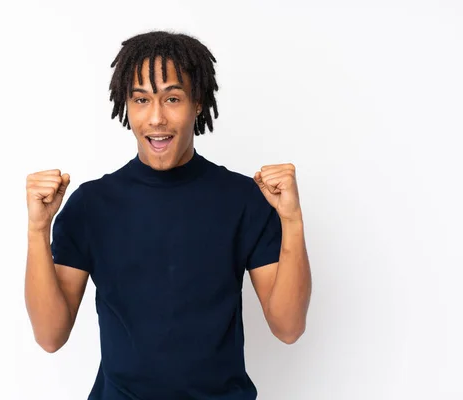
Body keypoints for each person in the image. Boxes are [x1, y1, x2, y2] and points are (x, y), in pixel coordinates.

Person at [25, 30, 312, 400]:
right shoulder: (90, 205)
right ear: (127, 106)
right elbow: (50, 336)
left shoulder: (243, 199)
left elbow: (288, 327)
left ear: (197, 103)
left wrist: (292, 220)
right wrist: (37, 228)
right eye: (141, 99)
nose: (156, 118)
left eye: (172, 98)